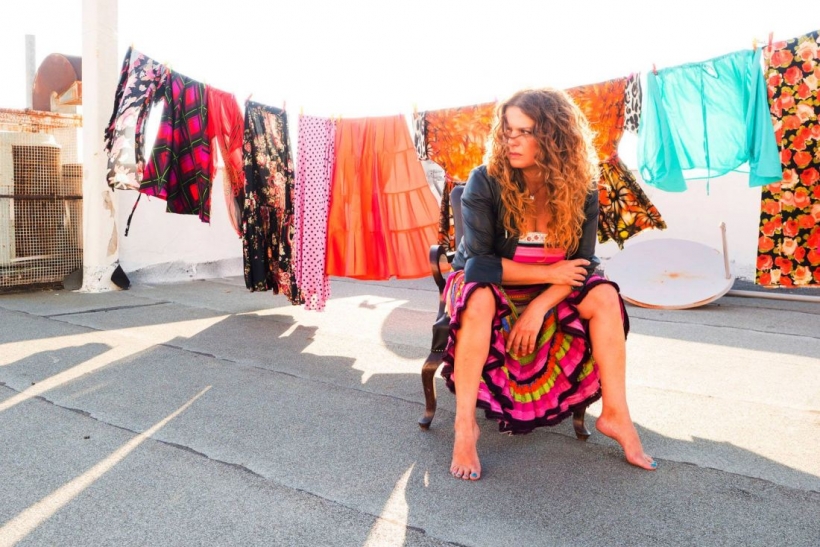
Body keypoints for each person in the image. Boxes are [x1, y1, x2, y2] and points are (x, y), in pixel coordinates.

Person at [441, 88, 656, 481]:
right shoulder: (485, 181)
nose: (512, 140)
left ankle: (616, 414)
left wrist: (541, 305)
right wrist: (551, 274)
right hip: (487, 284)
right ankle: (465, 425)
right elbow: (479, 266)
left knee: (605, 295)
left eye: (525, 132)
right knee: (479, 298)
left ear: (555, 137)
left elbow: (582, 264)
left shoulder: (582, 186)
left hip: (550, 289)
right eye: (507, 130)